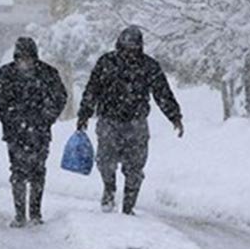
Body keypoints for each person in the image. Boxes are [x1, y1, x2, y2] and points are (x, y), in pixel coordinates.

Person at [77, 25, 183, 216]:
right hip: (109, 120)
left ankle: (128, 206)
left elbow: (163, 93)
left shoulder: (149, 66)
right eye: (126, 49)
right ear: (120, 45)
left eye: (134, 49)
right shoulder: (106, 62)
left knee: (135, 166)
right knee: (105, 161)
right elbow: (92, 90)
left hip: (137, 122)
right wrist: (84, 114)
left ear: (140, 47)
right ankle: (109, 189)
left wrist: (174, 116)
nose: (130, 53)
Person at [0, 37, 68, 228]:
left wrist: (46, 118)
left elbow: (60, 97)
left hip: (40, 131)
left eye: (28, 58)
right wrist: (10, 118)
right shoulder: (6, 74)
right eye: (21, 58)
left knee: (37, 171)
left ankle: (35, 212)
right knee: (17, 171)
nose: (25, 62)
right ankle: (19, 214)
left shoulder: (47, 74)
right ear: (16, 57)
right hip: (15, 132)